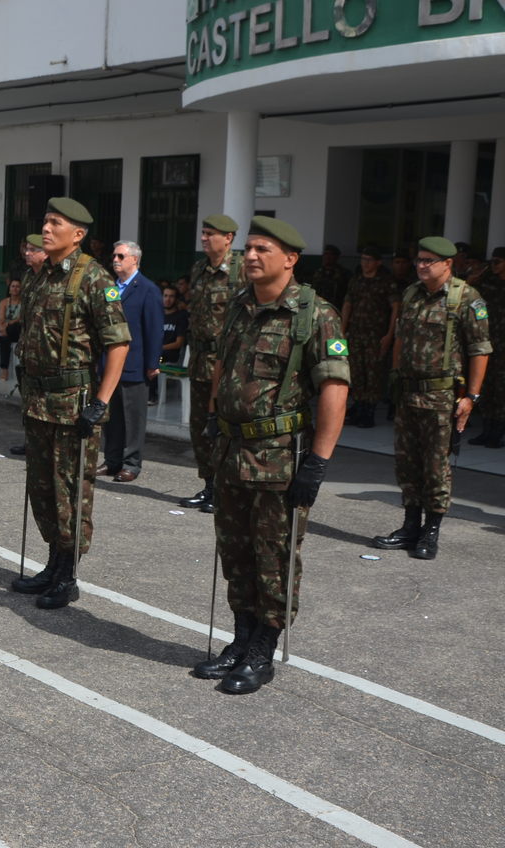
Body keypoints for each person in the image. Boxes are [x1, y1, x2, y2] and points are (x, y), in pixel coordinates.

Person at [192, 216, 349, 695]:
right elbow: (223, 364)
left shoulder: (314, 315)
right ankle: (240, 639)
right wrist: (215, 415)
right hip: (233, 449)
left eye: (263, 249)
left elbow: (334, 388)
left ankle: (263, 649)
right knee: (235, 552)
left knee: (273, 556)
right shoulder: (241, 306)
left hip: (279, 458)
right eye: (250, 247)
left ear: (291, 259)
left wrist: (317, 463)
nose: (252, 256)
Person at [9, 198, 129, 609]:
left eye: (55, 223)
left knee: (70, 491)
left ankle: (68, 573)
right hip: (38, 399)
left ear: (77, 234)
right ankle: (53, 561)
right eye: (45, 220)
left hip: (73, 403)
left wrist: (101, 401)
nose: (45, 228)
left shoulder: (94, 279)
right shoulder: (40, 277)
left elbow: (118, 343)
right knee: (41, 488)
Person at [372, 236, 491, 560]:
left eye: (429, 261)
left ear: (447, 264)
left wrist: (472, 398)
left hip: (442, 399)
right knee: (407, 465)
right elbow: (399, 339)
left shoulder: (466, 298)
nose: (421, 266)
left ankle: (431, 531)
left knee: (436, 467)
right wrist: (394, 379)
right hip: (409, 394)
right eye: (419, 260)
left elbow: (480, 350)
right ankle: (410, 526)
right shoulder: (411, 293)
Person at [180, 214, 244, 514]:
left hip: (227, 365)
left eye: (211, 234)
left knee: (224, 428)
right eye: (203, 233)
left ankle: (226, 489)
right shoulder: (199, 269)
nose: (204, 238)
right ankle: (209, 485)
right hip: (200, 361)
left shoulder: (240, 271)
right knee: (199, 428)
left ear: (228, 238)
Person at [98, 241, 162, 483]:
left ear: (134, 260)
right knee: (112, 417)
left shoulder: (147, 289)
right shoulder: (111, 288)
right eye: (114, 255)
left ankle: (131, 464)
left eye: (121, 256)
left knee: (133, 418)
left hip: (134, 363)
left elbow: (154, 330)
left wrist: (154, 362)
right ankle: (112, 460)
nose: (115, 259)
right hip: (109, 364)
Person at [339, 246, 399, 428]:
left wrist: (389, 334)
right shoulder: (356, 280)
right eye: (363, 259)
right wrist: (341, 330)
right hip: (356, 333)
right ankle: (358, 406)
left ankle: (369, 410)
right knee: (356, 371)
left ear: (378, 262)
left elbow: (396, 308)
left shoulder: (387, 282)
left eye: (369, 260)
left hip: (376, 335)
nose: (365, 263)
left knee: (373, 373)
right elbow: (348, 304)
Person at [8, 235, 48, 457]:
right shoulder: (27, 276)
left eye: (33, 250)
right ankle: (29, 440)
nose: (27, 253)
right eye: (27, 249)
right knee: (27, 399)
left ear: (45, 253)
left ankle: (41, 444)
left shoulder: (50, 277)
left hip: (44, 351)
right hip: (26, 347)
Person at [468, 247, 505, 448]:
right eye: (492, 261)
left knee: (501, 391)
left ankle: (497, 432)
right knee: (487, 388)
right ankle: (487, 430)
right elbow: (475, 302)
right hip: (488, 343)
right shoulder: (487, 285)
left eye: (498, 261)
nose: (493, 265)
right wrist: (481, 275)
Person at [308, 243, 350, 309]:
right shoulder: (317, 272)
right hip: (317, 306)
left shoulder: (344, 274)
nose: (327, 257)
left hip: (335, 307)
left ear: (336, 257)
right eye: (326, 254)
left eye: (331, 254)